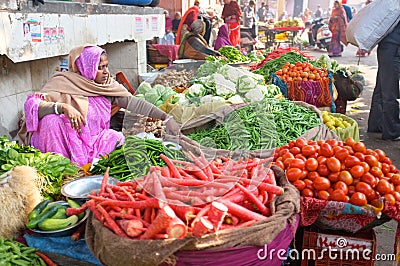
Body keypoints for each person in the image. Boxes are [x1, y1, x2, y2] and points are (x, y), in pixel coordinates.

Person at [18, 45, 180, 167]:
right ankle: (63, 169)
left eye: (106, 66)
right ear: (86, 68)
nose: (106, 72)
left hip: (93, 144)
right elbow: (32, 105)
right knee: (51, 121)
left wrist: (167, 118)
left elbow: (135, 104)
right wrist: (62, 108)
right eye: (99, 68)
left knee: (116, 137)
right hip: (64, 145)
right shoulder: (63, 82)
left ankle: (86, 166)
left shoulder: (106, 87)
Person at [368, 21, 400, 140]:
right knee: (390, 91)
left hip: (387, 46)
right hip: (394, 47)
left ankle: (376, 124)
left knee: (382, 87)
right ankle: (392, 131)